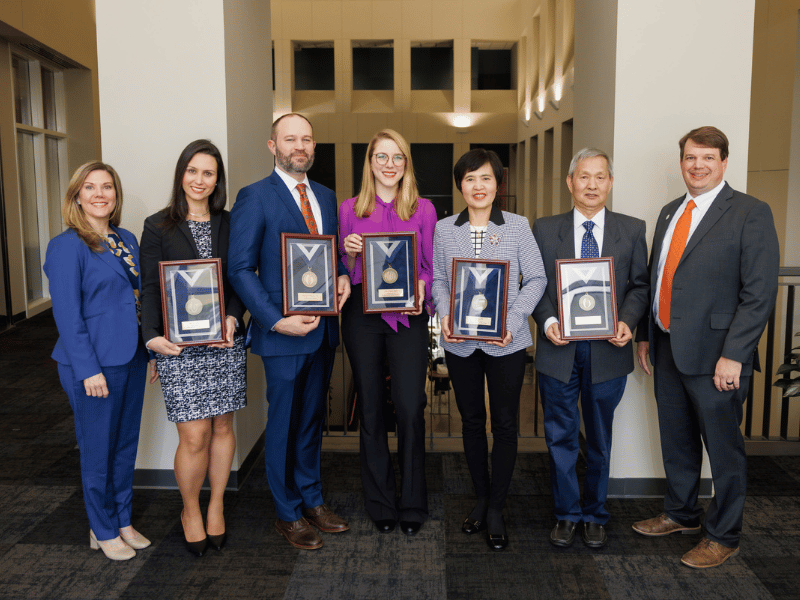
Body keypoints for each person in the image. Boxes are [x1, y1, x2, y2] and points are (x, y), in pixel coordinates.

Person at [633, 126, 779, 568]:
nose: (697, 166)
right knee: (676, 440)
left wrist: (735, 354)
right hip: (667, 347)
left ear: (724, 163)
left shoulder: (750, 212)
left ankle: (724, 534)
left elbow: (759, 293)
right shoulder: (669, 212)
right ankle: (682, 513)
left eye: (708, 158)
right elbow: (657, 278)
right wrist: (645, 333)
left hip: (718, 356)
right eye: (690, 158)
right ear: (682, 162)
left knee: (724, 450)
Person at [228, 113, 351, 550]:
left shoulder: (326, 196)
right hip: (282, 334)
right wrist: (274, 319)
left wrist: (342, 278)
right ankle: (286, 512)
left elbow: (327, 259)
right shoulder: (254, 197)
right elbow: (239, 268)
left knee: (311, 422)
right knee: (282, 423)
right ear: (272, 145)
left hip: (321, 332)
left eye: (307, 139)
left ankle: (312, 500)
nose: (300, 146)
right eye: (290, 139)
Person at [531, 148, 649, 549]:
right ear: (570, 183)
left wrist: (628, 322)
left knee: (599, 437)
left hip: (608, 350)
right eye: (584, 177)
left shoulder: (632, 229)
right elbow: (535, 285)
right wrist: (547, 322)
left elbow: (639, 286)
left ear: (610, 183)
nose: (592, 185)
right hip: (558, 350)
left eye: (600, 177)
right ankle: (567, 513)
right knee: (560, 437)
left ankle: (595, 513)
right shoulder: (545, 229)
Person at [432, 148, 546, 551]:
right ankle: (481, 498)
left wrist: (512, 324)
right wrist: (446, 315)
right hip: (461, 344)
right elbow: (439, 282)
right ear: (460, 185)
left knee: (505, 424)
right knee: (471, 421)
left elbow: (535, 279)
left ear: (498, 184)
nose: (478, 187)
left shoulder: (517, 226)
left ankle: (497, 506)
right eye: (469, 179)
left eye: (486, 179)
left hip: (505, 343)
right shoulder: (445, 229)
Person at [140, 139, 247, 557]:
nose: (199, 180)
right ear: (181, 174)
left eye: (208, 173)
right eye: (192, 171)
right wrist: (151, 339)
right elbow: (150, 287)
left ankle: (216, 503)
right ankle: (190, 510)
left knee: (223, 427)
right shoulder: (157, 225)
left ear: (217, 180)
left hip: (224, 341)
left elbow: (241, 279)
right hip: (179, 347)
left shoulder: (231, 223)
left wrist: (234, 317)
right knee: (195, 433)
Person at [44, 162, 149, 561]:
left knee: (124, 446)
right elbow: (67, 316)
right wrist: (88, 369)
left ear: (116, 196)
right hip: (91, 365)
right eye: (90, 187)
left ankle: (121, 519)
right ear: (76, 196)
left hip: (132, 356)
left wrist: (150, 351)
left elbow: (138, 300)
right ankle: (101, 528)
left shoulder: (126, 239)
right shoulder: (67, 245)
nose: (100, 194)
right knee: (97, 449)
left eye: (107, 187)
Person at [339, 129, 435, 536]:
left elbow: (432, 267)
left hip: (408, 317)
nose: (390, 165)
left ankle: (412, 501)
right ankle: (380, 501)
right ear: (370, 163)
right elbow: (340, 275)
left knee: (411, 407)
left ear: (406, 163)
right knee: (373, 408)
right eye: (382, 157)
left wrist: (422, 287)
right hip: (362, 315)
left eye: (398, 157)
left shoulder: (424, 209)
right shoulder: (348, 208)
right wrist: (349, 253)